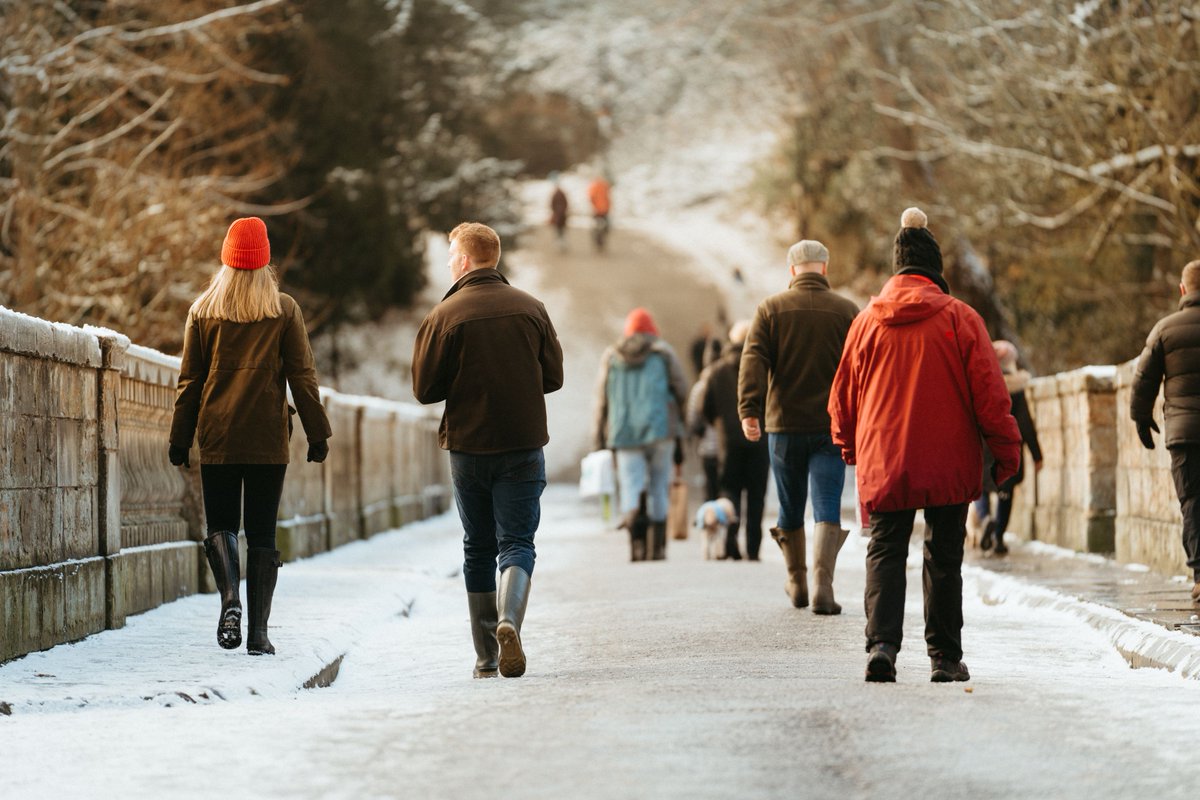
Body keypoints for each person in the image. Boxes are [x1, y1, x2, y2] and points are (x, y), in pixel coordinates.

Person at [829, 207, 1021, 683]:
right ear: (936, 271)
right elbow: (991, 396)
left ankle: (883, 648)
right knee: (944, 555)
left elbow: (841, 399)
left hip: (886, 457)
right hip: (949, 460)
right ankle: (943, 657)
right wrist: (1006, 452)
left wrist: (852, 449)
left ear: (896, 269)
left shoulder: (866, 324)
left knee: (887, 549)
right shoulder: (961, 319)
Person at [169, 216, 332, 656]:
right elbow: (302, 375)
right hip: (266, 438)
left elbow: (190, 382)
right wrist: (317, 434)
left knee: (221, 525)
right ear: (265, 261)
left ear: (227, 259)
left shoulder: (203, 310)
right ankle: (258, 635)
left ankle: (229, 602)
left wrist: (180, 438)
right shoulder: (283, 309)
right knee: (261, 533)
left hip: (218, 435)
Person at [412, 222, 564, 679]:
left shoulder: (445, 315)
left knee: (477, 547)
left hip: (468, 446)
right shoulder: (531, 308)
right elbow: (553, 378)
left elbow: (424, 389)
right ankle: (508, 620)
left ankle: (485, 658)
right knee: (516, 542)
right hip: (521, 443)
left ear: (463, 260)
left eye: (450, 257)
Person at [738, 239, 858, 612]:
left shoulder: (771, 309)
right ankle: (824, 584)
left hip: (784, 426)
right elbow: (860, 367)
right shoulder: (846, 311)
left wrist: (750, 410)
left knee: (790, 506)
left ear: (792, 271)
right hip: (830, 426)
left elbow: (753, 359)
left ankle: (797, 581)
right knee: (826, 503)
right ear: (824, 267)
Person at [592, 307, 688, 561]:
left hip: (623, 432)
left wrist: (599, 438)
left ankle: (635, 546)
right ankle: (657, 548)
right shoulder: (664, 353)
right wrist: (683, 427)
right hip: (661, 430)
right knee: (659, 485)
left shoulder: (612, 355)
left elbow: (601, 399)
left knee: (631, 486)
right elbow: (681, 390)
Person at [1131, 259, 1200, 604]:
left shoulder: (1165, 329)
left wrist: (1141, 419)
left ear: (1183, 290)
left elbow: (1144, 380)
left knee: (1192, 504)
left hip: (1184, 434)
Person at [702, 321, 770, 560]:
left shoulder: (717, 370)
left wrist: (720, 424)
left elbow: (705, 407)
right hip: (760, 440)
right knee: (756, 496)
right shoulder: (763, 366)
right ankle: (753, 549)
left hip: (728, 442)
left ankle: (730, 544)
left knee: (729, 491)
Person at [973, 340, 1043, 555]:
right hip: (1006, 445)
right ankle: (999, 537)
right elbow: (1025, 423)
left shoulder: (979, 383)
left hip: (983, 447)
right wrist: (1037, 455)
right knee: (1006, 492)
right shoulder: (1016, 388)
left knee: (981, 489)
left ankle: (985, 519)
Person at [587, 174, 612, 253]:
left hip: (598, 211)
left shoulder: (594, 186)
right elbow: (608, 198)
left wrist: (594, 207)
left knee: (598, 228)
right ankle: (600, 242)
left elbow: (591, 197)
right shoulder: (604, 186)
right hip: (603, 211)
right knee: (603, 228)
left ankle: (599, 242)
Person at [549, 174, 569, 252]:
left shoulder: (556, 194)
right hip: (561, 215)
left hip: (559, 215)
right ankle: (561, 243)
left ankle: (561, 243)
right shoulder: (561, 193)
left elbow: (551, 204)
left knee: (559, 230)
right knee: (561, 230)